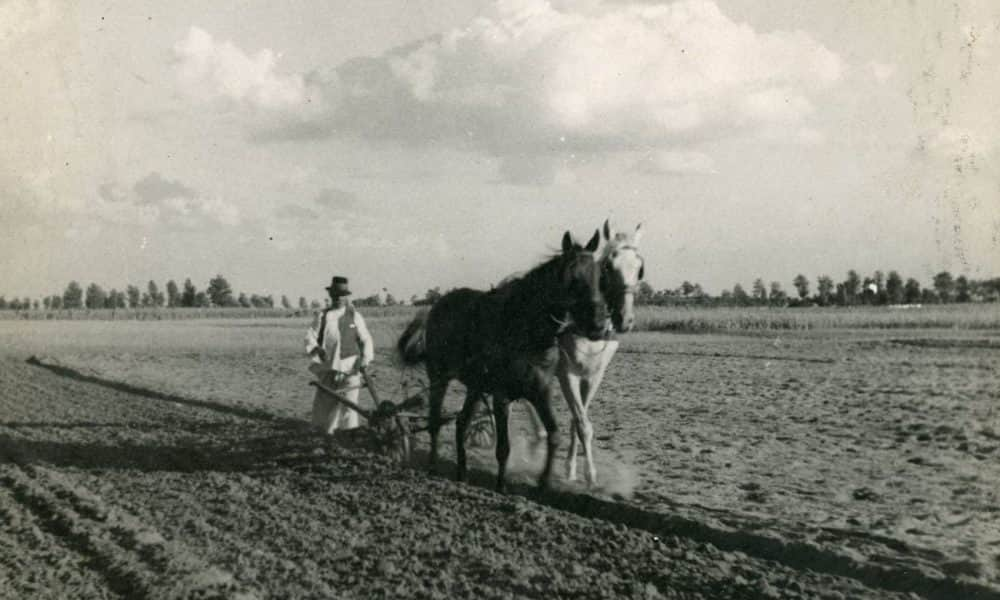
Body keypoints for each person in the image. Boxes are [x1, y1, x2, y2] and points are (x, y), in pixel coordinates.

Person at [305, 276, 375, 434]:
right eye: (335, 295)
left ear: (346, 297)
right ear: (331, 296)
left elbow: (366, 339)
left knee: (350, 406)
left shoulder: (355, 316)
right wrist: (317, 349)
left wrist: (364, 361)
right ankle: (323, 435)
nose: (338, 298)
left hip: (351, 369)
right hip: (328, 368)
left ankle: (349, 436)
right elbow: (309, 336)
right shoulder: (321, 317)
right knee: (323, 406)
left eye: (342, 295)